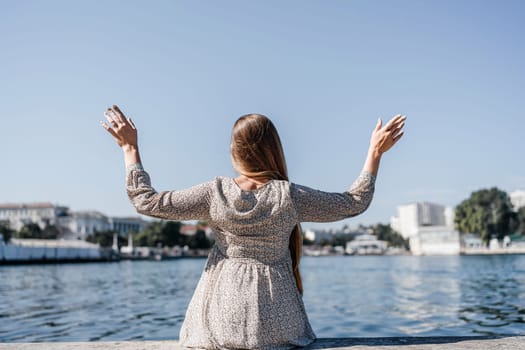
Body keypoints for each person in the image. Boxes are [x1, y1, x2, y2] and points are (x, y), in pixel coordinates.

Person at [101, 105, 405, 349]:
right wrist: (375, 153)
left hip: (218, 321)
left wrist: (130, 149)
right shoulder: (289, 196)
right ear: (274, 150)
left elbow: (147, 202)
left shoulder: (214, 194)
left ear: (235, 151)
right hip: (279, 323)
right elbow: (354, 202)